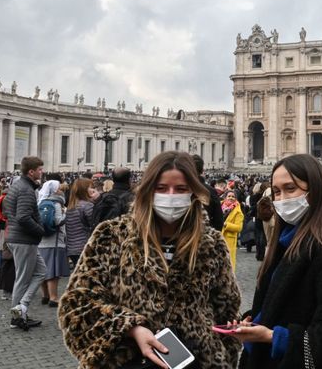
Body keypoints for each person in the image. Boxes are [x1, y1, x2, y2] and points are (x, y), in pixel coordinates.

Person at [59, 151, 241, 368]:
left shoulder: (212, 243)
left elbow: (227, 313)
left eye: (181, 189)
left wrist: (220, 357)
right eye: (161, 188)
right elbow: (76, 305)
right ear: (147, 190)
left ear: (193, 192)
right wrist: (132, 327)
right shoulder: (111, 235)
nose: (171, 195)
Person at [234, 154, 322, 369]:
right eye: (277, 191)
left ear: (314, 192)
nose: (281, 199)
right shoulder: (284, 243)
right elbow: (285, 305)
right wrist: (255, 319)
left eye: (291, 189)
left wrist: (275, 337)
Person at [3, 156, 47, 331]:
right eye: (40, 169)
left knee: (41, 271)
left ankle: (21, 307)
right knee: (22, 279)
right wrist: (40, 230)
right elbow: (23, 217)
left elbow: (9, 211)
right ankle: (17, 316)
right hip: (23, 240)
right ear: (31, 171)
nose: (42, 172)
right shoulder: (26, 190)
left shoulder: (17, 186)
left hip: (18, 238)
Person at [37, 181, 68, 307]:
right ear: (55, 190)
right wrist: (66, 212)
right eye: (59, 188)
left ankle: (45, 295)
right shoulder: (56, 203)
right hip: (54, 241)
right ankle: (54, 297)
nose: (61, 190)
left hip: (41, 241)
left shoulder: (40, 202)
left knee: (42, 269)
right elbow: (58, 221)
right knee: (53, 271)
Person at [193, 154, 225, 231]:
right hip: (204, 236)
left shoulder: (182, 189)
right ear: (202, 170)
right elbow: (219, 221)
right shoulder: (210, 191)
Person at [221, 190, 243, 271]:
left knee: (227, 263)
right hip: (218, 236)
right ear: (225, 197)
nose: (231, 198)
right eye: (229, 196)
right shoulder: (219, 205)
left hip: (229, 239)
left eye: (233, 196)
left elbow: (239, 227)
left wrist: (226, 225)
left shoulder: (238, 211)